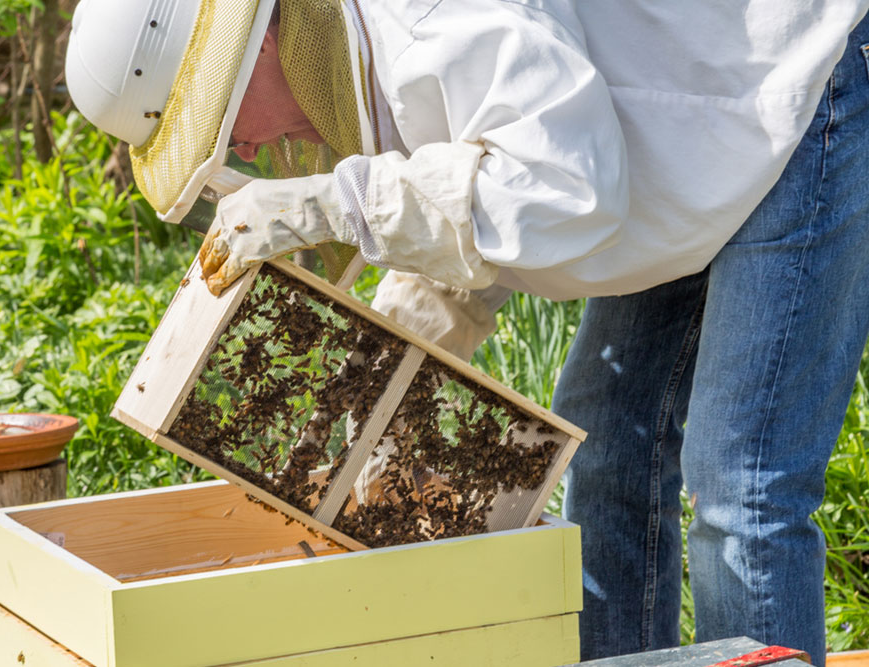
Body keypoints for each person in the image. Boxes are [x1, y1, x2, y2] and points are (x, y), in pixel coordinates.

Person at [65, 0, 869, 663]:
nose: (240, 147)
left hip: (791, 96)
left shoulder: (431, 18)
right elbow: (465, 185)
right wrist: (388, 361)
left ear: (256, 45)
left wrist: (336, 204)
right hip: (685, 145)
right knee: (612, 452)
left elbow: (569, 186)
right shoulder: (363, 55)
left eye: (220, 123)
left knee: (739, 484)